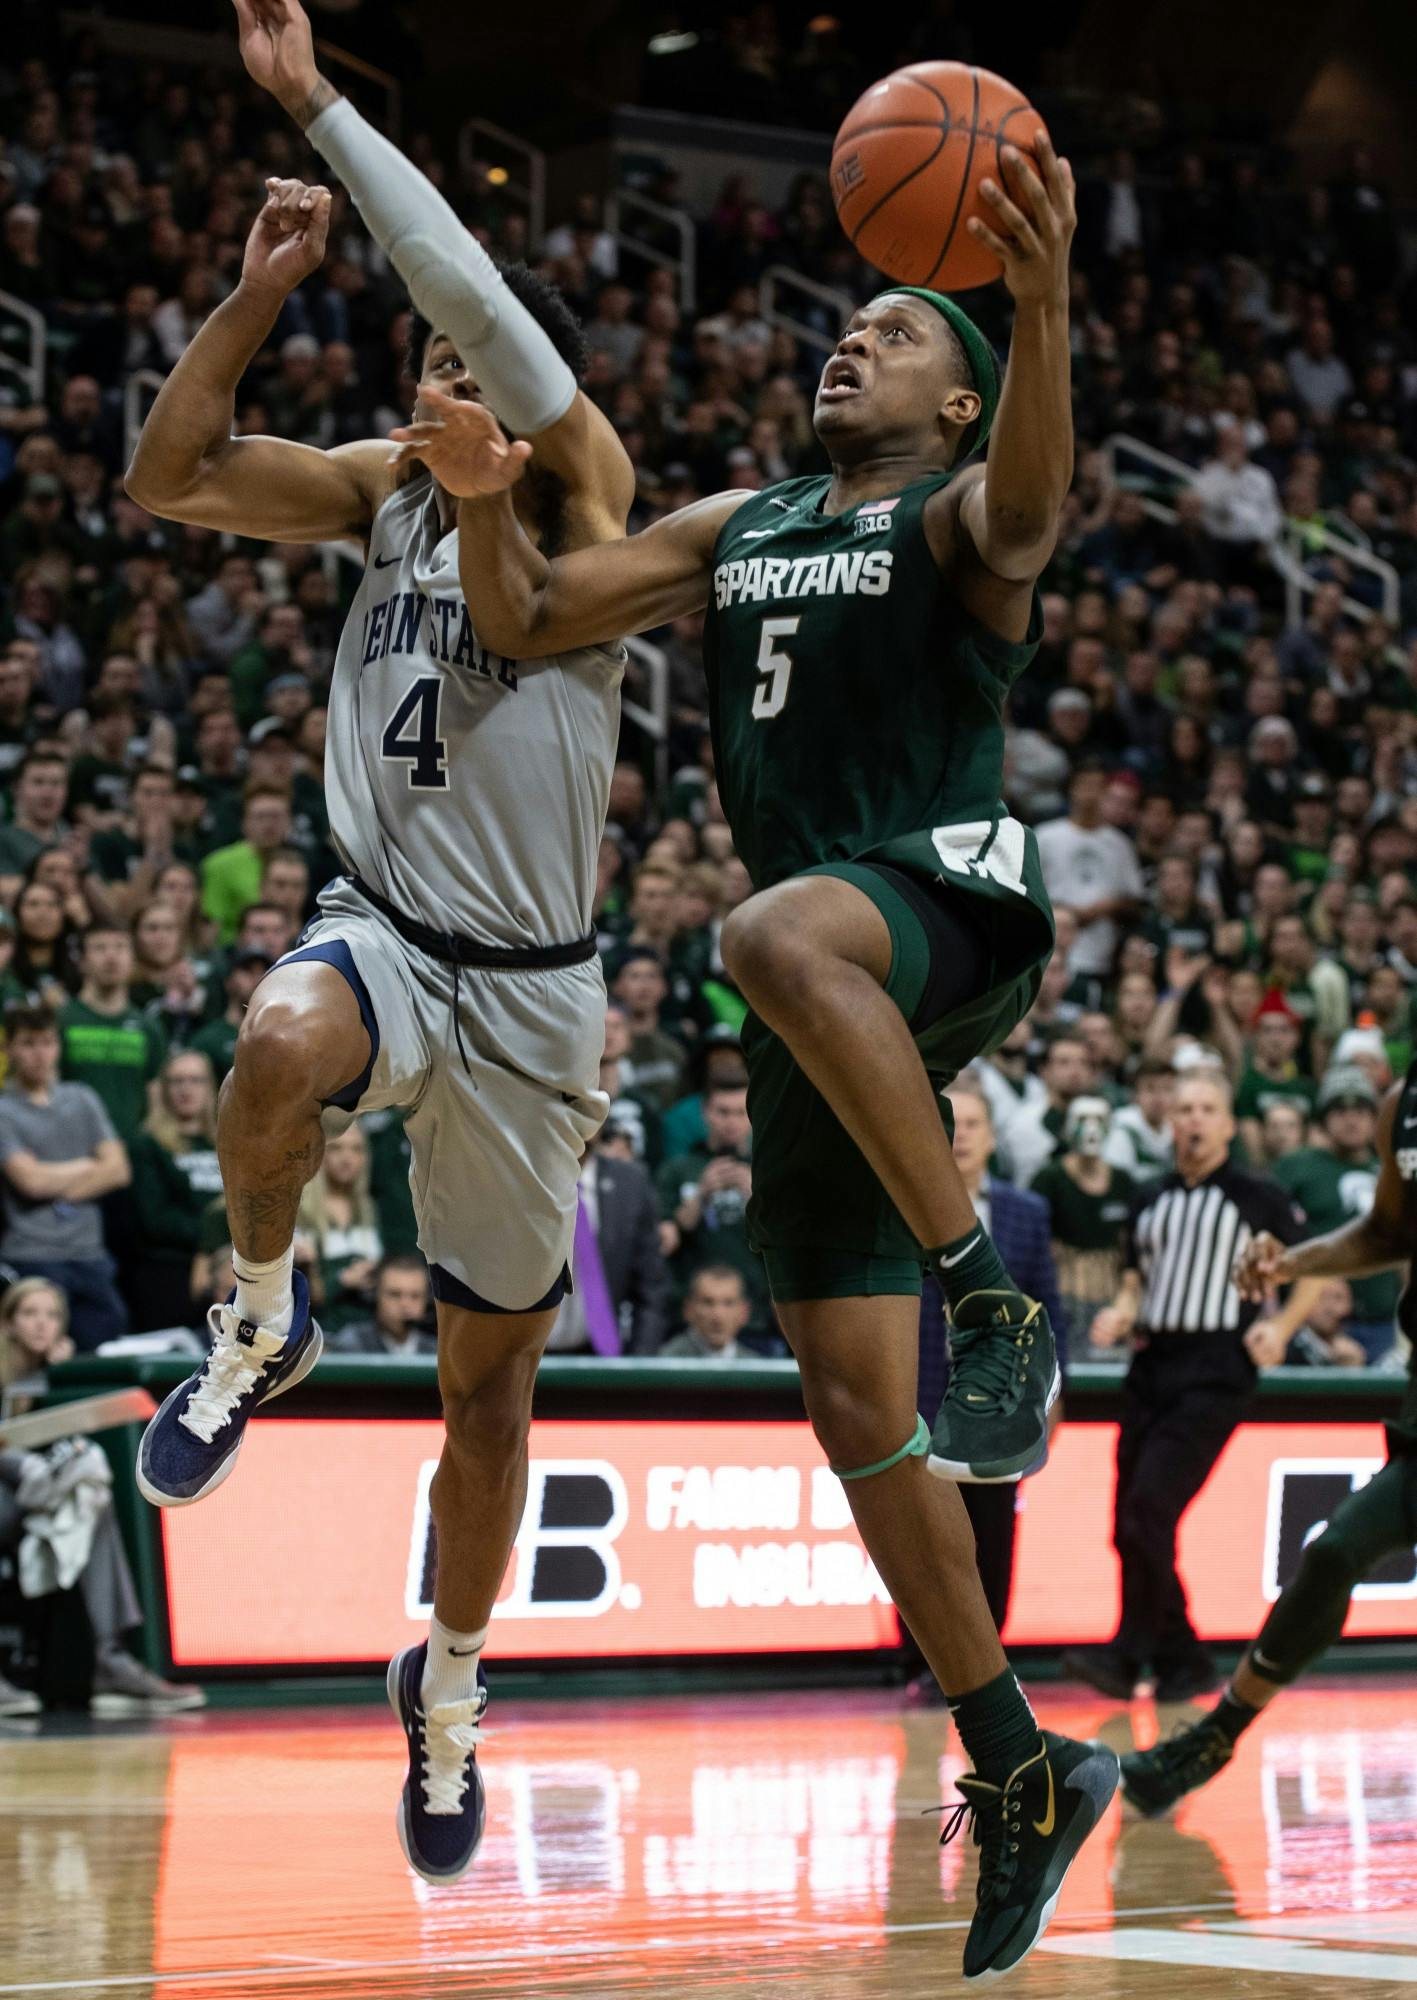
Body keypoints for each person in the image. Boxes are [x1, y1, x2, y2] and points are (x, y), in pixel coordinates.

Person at [442, 119, 1116, 1975]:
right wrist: (488, 485)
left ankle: (990, 1298)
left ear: (959, 409)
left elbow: (1039, 510)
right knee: (842, 1401)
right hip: (826, 978)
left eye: (901, 335)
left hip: (938, 897)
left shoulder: (960, 514)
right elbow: (528, 616)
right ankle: (1018, 1761)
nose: (853, 341)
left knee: (753, 927)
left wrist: (1035, 309)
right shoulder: (738, 529)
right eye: (851, 324)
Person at [130, 0, 635, 1892]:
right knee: (270, 1045)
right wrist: (260, 292)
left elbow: (473, 281)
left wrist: (323, 107)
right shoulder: (378, 496)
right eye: (422, 359)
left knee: (488, 1400)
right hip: (382, 932)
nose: (445, 374)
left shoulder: (586, 496)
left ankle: (448, 1678)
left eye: (470, 357)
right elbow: (168, 479)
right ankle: (257, 1329)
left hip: (533, 992)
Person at [1121, 1047, 1417, 1816]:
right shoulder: (1402, 1106)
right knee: (1332, 1554)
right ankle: (1217, 1733)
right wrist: (1291, 1264)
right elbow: (1387, 1231)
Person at [1068, 1070, 1322, 1701]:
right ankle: (1183, 1661)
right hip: (1150, 1366)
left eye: (1208, 1108)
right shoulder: (1147, 1196)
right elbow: (1135, 1278)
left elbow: (1314, 1266)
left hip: (1215, 1370)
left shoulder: (1257, 1197)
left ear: (1230, 1125)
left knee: (1148, 1512)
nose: (1195, 1119)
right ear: (1169, 1121)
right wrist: (1121, 1311)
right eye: (1184, 1109)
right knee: (1131, 1524)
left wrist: (1283, 1326)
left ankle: (1128, 1657)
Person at [0, 1277, 205, 1715]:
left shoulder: (63, 1373)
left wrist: (60, 1375)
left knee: (91, 1496)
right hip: (8, 1490)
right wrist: (24, 1466)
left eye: (52, 1315)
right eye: (30, 1314)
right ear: (9, 1322)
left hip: (33, 1493)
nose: (41, 1325)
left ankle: (108, 1660)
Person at [916, 1080, 1066, 1643]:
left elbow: (1047, 1307)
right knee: (924, 1535)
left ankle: (991, 1656)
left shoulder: (1026, 1213)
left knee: (995, 1531)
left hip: (1000, 1399)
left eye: (974, 1123)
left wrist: (1052, 1392)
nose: (962, 1134)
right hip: (924, 1389)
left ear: (992, 1137)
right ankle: (923, 1659)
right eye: (951, 1121)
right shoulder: (904, 1203)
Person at [0, 1006, 131, 1349]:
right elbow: (29, 1182)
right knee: (37, 1355)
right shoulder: (4, 1110)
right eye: (28, 1043)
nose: (39, 1054)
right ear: (9, 1049)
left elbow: (118, 1170)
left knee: (107, 1345)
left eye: (46, 1042)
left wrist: (50, 1177)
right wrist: (88, 1165)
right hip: (32, 1252)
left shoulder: (82, 1098)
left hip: (90, 1252)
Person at [1270, 1064, 1400, 1363]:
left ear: (1375, 1119)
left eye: (1361, 1111)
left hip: (1381, 1319)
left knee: (1381, 1406)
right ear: (1324, 1119)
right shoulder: (1298, 1166)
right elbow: (1268, 1230)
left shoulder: (1391, 1172)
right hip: (1310, 1322)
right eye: (1340, 1111)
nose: (1351, 1119)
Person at [547, 1127, 671, 1355]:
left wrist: (640, 1364)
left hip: (601, 1353)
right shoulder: (516, 1181)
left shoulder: (631, 1183)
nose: (573, 1118)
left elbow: (651, 1286)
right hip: (526, 1355)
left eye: (582, 1105)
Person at [1031, 1096, 1136, 1360]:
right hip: (1064, 1291)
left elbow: (1130, 1241)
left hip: (1108, 1294)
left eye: (1099, 1120)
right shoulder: (1050, 1179)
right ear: (1068, 1127)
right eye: (1082, 1120)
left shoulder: (1123, 1181)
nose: (1091, 1129)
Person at [128, 1050, 224, 1330]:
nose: (186, 1089)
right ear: (163, 1089)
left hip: (228, 1267)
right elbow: (155, 1220)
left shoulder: (226, 1142)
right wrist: (216, 1236)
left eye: (196, 1080)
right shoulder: (147, 1144)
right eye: (176, 1081)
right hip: (169, 1270)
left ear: (210, 1087)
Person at [58, 924, 167, 1145]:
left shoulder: (149, 1027)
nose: (111, 956)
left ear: (133, 960)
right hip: (72, 1147)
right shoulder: (61, 1020)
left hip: (133, 1149)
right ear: (82, 962)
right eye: (99, 948)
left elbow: (156, 1101)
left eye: (120, 947)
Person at [294, 1122, 382, 1335]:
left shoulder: (370, 1209)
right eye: (336, 1148)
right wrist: (344, 1279)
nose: (347, 1158)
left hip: (369, 1334)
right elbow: (304, 1293)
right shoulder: (300, 1210)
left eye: (356, 1149)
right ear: (318, 1154)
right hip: (319, 1332)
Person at [329, 1254, 435, 1357]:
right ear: (374, 1296)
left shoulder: (438, 1352)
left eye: (415, 1296)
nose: (405, 1304)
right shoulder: (351, 1344)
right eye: (395, 1294)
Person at [659, 1264, 755, 1358]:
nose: (718, 1315)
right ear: (688, 1309)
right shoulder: (664, 1363)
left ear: (744, 1312)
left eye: (728, 1303)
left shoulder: (756, 1367)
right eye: (708, 1303)